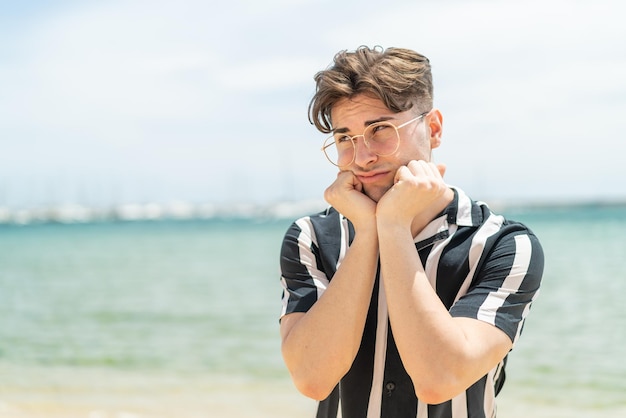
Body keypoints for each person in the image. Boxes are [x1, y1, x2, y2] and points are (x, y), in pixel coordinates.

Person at [278, 45, 544, 418]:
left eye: (380, 130)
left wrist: (393, 226)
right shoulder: (311, 238)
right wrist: (369, 235)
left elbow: (440, 378)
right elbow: (312, 378)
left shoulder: (503, 244)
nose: (362, 157)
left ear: (433, 128)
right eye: (345, 138)